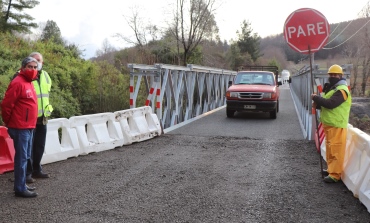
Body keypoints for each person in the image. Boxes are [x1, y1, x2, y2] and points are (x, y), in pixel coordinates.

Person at [1, 57, 39, 197]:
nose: (33, 70)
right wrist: (9, 122)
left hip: (28, 126)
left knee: (26, 156)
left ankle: (22, 184)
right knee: (22, 158)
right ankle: (20, 188)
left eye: (35, 67)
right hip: (20, 127)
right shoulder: (18, 83)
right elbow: (6, 105)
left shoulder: (29, 83)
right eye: (30, 67)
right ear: (23, 68)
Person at [311, 64, 352, 183]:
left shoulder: (342, 90)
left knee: (336, 150)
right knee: (330, 149)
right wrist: (318, 104)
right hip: (330, 124)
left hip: (337, 125)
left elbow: (331, 104)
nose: (333, 76)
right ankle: (330, 169)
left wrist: (316, 98)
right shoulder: (333, 89)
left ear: (340, 76)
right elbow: (327, 105)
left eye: (335, 75)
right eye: (331, 75)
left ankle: (335, 174)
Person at [25, 52, 53, 183]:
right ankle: (27, 173)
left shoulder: (46, 76)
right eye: (34, 60)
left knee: (40, 145)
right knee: (28, 148)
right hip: (29, 118)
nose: (37, 63)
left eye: (39, 61)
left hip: (43, 117)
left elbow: (46, 95)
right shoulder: (24, 75)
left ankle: (37, 169)